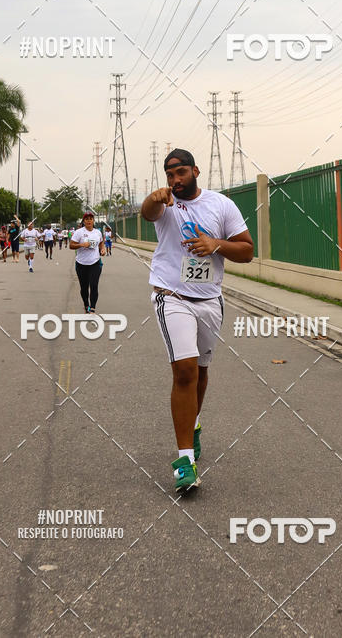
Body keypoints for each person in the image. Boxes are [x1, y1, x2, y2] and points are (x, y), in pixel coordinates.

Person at [141, 149, 254, 493]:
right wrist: (153, 197)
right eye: (169, 174)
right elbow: (148, 213)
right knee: (185, 370)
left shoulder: (221, 205)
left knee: (201, 372)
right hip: (171, 296)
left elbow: (247, 251)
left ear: (195, 171)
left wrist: (215, 244)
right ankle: (185, 462)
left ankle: (195, 424)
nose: (175, 180)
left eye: (181, 173)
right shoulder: (165, 206)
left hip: (209, 299)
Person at [70, 212, 105, 312]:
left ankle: (92, 307)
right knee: (84, 287)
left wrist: (102, 249)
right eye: (87, 219)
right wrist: (81, 245)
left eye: (91, 219)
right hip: (81, 264)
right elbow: (71, 245)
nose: (89, 220)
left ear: (93, 221)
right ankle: (86, 305)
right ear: (84, 221)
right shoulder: (79, 232)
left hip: (95, 263)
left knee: (94, 285)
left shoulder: (98, 232)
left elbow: (101, 242)